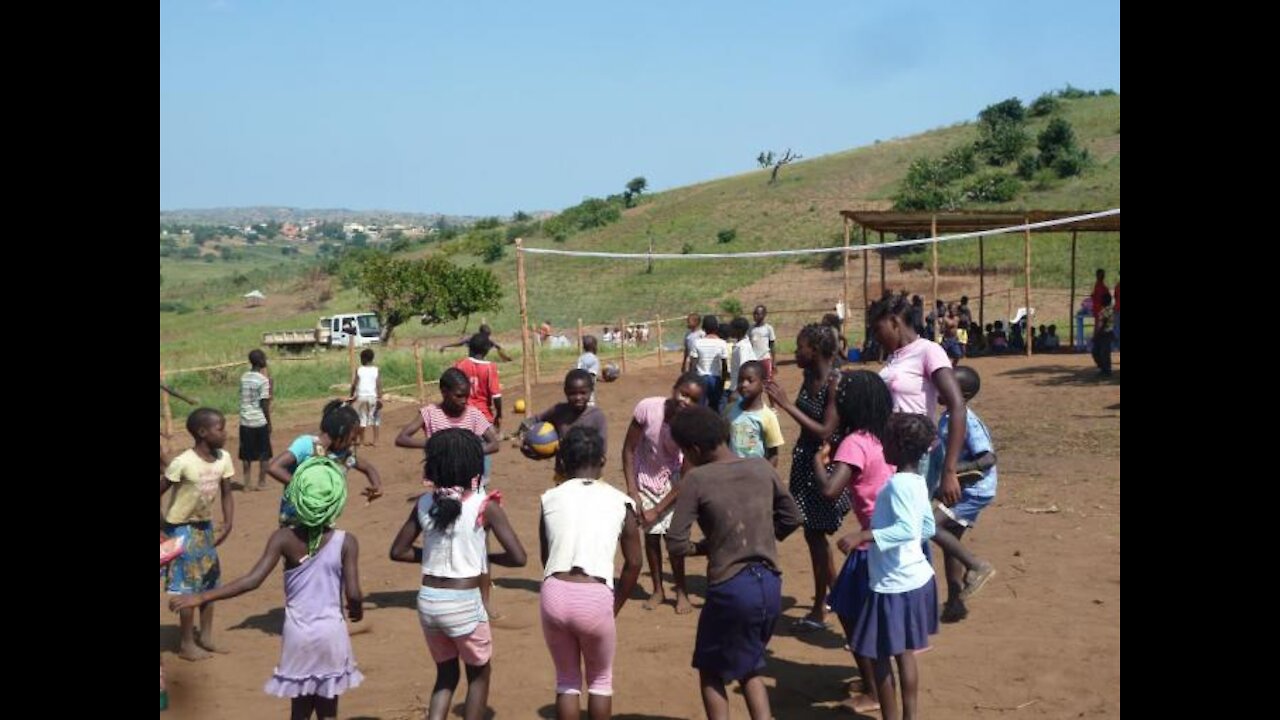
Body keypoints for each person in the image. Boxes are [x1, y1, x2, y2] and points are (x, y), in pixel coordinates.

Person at [169, 457, 365, 718]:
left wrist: (201, 596)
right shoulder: (346, 542)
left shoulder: (284, 538)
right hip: (332, 634)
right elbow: (353, 593)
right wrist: (356, 608)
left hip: (298, 636)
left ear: (297, 496)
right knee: (328, 708)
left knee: (300, 707)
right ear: (337, 500)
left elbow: (252, 580)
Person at [666, 405, 802, 720]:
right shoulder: (761, 467)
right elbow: (792, 518)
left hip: (731, 588)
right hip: (770, 584)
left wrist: (709, 546)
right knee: (750, 662)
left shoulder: (697, 479)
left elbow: (675, 543)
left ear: (694, 449)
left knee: (711, 670)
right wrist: (763, 537)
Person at [389, 429, 527, 720]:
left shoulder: (424, 504)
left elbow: (398, 551)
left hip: (428, 601)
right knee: (478, 675)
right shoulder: (484, 505)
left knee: (446, 676)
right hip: (464, 602)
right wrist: (480, 556)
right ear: (475, 466)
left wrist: (432, 556)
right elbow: (519, 558)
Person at [538, 426, 644, 720]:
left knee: (567, 681)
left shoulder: (550, 498)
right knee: (600, 681)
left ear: (563, 462)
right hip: (595, 595)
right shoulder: (622, 502)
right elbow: (634, 563)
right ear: (602, 460)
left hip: (555, 591)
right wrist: (615, 605)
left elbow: (546, 557)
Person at [812, 371, 895, 714]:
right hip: (891, 536)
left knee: (848, 609)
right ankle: (876, 683)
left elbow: (831, 491)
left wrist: (818, 463)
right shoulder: (884, 434)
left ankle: (875, 691)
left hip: (870, 541)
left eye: (840, 396)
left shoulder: (855, 442)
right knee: (864, 612)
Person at [848, 414, 940, 720]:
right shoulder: (917, 481)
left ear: (898, 447)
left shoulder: (897, 484)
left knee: (880, 655)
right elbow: (926, 527)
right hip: (917, 577)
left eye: (885, 441)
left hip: (892, 584)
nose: (882, 445)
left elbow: (906, 530)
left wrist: (864, 535)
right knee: (905, 653)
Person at [765, 324, 843, 631]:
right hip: (804, 462)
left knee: (816, 534)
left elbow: (826, 430)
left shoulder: (835, 381)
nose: (796, 353)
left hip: (826, 466)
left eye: (800, 348)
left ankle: (827, 604)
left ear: (816, 350)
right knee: (813, 535)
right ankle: (833, 599)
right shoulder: (808, 377)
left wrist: (786, 404)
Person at [621, 371, 705, 614]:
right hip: (643, 477)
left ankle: (681, 591)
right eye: (683, 393)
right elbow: (628, 450)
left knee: (674, 538)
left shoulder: (691, 427)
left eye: (693, 399)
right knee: (651, 537)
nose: (685, 401)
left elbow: (687, 474)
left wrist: (657, 509)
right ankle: (658, 589)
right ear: (674, 388)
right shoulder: (647, 408)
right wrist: (633, 491)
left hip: (674, 481)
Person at [161, 408, 236, 661]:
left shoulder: (223, 458)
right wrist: (162, 530)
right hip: (180, 529)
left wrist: (228, 522)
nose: (225, 433)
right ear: (202, 433)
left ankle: (205, 636)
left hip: (204, 528)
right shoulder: (183, 463)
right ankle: (186, 644)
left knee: (210, 580)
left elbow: (227, 492)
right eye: (220, 428)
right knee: (188, 586)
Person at [930, 366, 998, 623]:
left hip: (975, 490)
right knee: (951, 542)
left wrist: (954, 471)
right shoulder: (948, 418)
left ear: (964, 394)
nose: (940, 388)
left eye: (947, 385)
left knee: (929, 525)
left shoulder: (967, 419)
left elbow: (988, 458)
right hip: (963, 487)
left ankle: (978, 566)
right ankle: (955, 603)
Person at [523, 370, 608, 485]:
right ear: (565, 392)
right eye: (573, 393)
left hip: (590, 478)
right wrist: (528, 440)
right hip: (563, 477)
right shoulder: (558, 411)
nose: (578, 397)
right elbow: (535, 420)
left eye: (583, 393)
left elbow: (601, 451)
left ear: (591, 391)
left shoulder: (597, 417)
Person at [727, 361, 785, 467]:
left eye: (750, 381)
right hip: (732, 472)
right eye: (740, 380)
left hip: (756, 473)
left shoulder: (768, 417)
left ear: (763, 384)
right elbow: (725, 441)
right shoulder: (730, 410)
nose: (744, 384)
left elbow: (773, 455)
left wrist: (765, 477)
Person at [239, 349, 273, 491]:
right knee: (264, 453)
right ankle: (262, 482)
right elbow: (264, 403)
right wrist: (269, 422)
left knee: (246, 454)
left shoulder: (244, 377)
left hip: (245, 420)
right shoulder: (263, 380)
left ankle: (246, 484)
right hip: (259, 420)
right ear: (260, 361)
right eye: (264, 358)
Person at [348, 349, 383, 447]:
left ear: (362, 359)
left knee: (362, 418)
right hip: (372, 397)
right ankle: (376, 441)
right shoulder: (376, 369)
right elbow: (379, 384)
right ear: (372, 359)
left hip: (361, 396)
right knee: (375, 418)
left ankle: (362, 441)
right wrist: (380, 397)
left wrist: (351, 396)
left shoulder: (359, 369)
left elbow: (354, 384)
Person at [749, 305, 777, 379]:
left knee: (767, 380)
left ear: (764, 315)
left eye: (758, 314)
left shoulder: (768, 328)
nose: (755, 316)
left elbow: (772, 345)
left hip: (765, 358)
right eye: (754, 313)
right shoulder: (750, 328)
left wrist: (773, 362)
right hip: (754, 359)